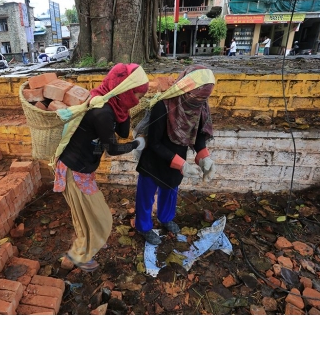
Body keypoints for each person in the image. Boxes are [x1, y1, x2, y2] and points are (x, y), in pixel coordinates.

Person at [54, 63, 149, 272]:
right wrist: (136, 145)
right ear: (124, 90)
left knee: (87, 215)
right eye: (137, 96)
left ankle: (87, 246)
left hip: (84, 168)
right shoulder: (102, 111)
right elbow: (113, 148)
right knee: (100, 217)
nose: (138, 101)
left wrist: (125, 108)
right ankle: (78, 256)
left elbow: (123, 132)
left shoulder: (110, 101)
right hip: (75, 170)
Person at [134, 65, 216, 245]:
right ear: (186, 88)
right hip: (154, 159)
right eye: (196, 97)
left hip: (177, 156)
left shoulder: (199, 106)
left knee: (170, 191)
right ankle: (143, 227)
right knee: (146, 196)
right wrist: (181, 164)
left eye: (203, 98)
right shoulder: (163, 105)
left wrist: (204, 157)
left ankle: (166, 218)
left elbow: (199, 135)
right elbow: (154, 143)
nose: (198, 102)